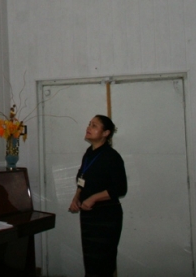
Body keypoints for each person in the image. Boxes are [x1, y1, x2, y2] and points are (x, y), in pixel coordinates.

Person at [69, 115, 127, 277]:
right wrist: (76, 197)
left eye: (94, 126)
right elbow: (82, 180)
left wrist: (93, 198)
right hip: (88, 216)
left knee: (103, 262)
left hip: (106, 217)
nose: (88, 127)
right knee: (91, 261)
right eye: (89, 124)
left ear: (105, 133)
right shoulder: (89, 153)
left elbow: (120, 188)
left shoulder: (111, 156)